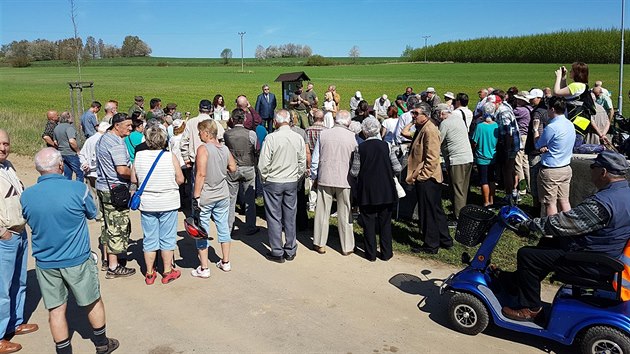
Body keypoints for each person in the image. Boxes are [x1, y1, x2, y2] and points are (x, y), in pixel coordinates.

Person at [501, 150, 630, 322]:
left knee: (527, 255)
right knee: (547, 243)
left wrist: (527, 225)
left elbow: (561, 223)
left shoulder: (603, 203)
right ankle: (516, 283)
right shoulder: (624, 193)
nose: (591, 170)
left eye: (593, 167)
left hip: (591, 260)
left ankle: (530, 309)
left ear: (603, 172)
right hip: (607, 252)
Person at [21, 147, 118, 354]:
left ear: (38, 169)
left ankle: (64, 351)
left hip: (46, 262)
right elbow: (93, 213)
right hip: (77, 258)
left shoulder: (27, 196)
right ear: (61, 165)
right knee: (92, 300)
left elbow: (27, 219)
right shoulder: (77, 189)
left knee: (56, 309)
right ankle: (101, 343)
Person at [0, 130, 38, 354]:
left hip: (19, 232)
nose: (3, 148)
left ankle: (15, 322)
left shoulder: (9, 166)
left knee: (19, 281)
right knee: (1, 288)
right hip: (5, 236)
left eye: (6, 143)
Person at [131, 125, 184, 285]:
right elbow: (180, 179)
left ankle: (149, 272)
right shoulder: (170, 157)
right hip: (168, 201)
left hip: (148, 202)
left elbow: (134, 179)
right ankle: (167, 271)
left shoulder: (139, 156)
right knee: (167, 237)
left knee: (149, 237)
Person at [258, 110, 306, 263]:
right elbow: (302, 162)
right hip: (291, 180)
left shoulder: (271, 138)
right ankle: (290, 248)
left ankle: (277, 250)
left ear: (276, 122)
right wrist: (297, 177)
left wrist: (265, 178)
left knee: (274, 216)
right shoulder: (297, 137)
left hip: (274, 180)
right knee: (290, 215)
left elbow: (263, 163)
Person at [404, 104, 452, 254]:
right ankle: (445, 240)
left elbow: (432, 158)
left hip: (428, 178)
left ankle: (431, 244)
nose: (413, 115)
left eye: (416, 113)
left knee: (428, 212)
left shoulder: (429, 130)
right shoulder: (424, 127)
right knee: (436, 209)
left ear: (425, 115)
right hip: (431, 177)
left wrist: (422, 177)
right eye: (412, 113)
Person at [350, 118, 401, 261]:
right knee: (385, 223)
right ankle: (386, 253)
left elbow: (355, 172)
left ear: (364, 132)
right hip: (386, 189)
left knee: (368, 223)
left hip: (367, 191)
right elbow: (397, 168)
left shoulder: (359, 148)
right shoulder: (387, 146)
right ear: (378, 130)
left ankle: (370, 253)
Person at [191, 120, 237, 277]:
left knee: (201, 230)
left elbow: (201, 174)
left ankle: (204, 268)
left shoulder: (203, 149)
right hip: (222, 193)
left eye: (200, 132)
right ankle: (225, 262)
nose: (199, 135)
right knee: (223, 226)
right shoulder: (224, 149)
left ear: (206, 133)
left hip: (207, 194)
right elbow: (233, 167)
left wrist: (195, 195)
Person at [311, 110, 357, 255]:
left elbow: (315, 158)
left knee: (322, 212)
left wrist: (314, 175)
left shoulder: (324, 134)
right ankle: (347, 246)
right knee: (345, 213)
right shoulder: (353, 137)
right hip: (345, 179)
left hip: (326, 176)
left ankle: (319, 243)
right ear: (348, 122)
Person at [96, 113, 136, 278]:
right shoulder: (117, 144)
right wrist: (137, 174)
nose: (130, 128)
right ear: (117, 125)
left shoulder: (103, 139)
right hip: (115, 189)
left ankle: (107, 260)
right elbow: (121, 170)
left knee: (106, 225)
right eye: (127, 125)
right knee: (117, 227)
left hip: (103, 186)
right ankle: (114, 266)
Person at [534, 97, 576, 217]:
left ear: (552, 109)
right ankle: (568, 227)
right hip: (565, 167)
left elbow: (538, 144)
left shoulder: (552, 127)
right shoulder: (569, 124)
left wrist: (535, 130)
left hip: (551, 170)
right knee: (564, 200)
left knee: (550, 203)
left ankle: (551, 232)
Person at [223, 108, 260, 236]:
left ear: (232, 120)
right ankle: (250, 226)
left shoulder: (227, 134)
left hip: (232, 167)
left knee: (231, 199)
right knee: (250, 199)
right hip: (248, 166)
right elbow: (256, 149)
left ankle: (229, 227)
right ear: (244, 119)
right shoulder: (251, 134)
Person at [437, 103, 474, 223]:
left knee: (457, 188)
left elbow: (438, 140)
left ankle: (458, 217)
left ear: (442, 113)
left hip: (457, 159)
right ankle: (462, 212)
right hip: (468, 157)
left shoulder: (445, 123)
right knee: (463, 187)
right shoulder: (458, 119)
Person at [79, 122, 111, 221]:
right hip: (100, 172)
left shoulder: (89, 140)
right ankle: (100, 214)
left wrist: (84, 164)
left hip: (89, 172)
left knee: (93, 194)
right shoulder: (104, 140)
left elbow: (82, 154)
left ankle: (94, 213)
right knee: (102, 194)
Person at [524, 88, 549, 214]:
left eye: (533, 98)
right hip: (543, 150)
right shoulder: (546, 111)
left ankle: (535, 208)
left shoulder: (537, 112)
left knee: (534, 179)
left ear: (539, 98)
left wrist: (537, 146)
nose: (530, 100)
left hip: (536, 151)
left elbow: (537, 129)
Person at [472, 103, 499, 208]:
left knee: (484, 180)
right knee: (491, 178)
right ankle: (492, 200)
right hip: (492, 156)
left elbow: (474, 142)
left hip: (481, 157)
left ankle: (486, 201)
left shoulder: (480, 126)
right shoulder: (496, 125)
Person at [305, 110, 328, 211]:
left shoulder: (307, 130)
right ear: (323, 119)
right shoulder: (327, 131)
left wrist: (308, 164)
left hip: (311, 155)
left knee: (312, 181)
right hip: (323, 158)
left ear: (314, 118)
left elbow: (306, 148)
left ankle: (311, 203)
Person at [53, 111, 83, 182]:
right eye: (71, 117)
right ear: (68, 118)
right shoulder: (69, 128)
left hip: (62, 153)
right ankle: (78, 188)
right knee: (79, 173)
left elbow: (55, 142)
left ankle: (67, 188)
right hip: (71, 153)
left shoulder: (57, 128)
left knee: (67, 174)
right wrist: (78, 150)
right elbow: (71, 141)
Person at [513, 91, 532, 194]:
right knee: (525, 162)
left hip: (521, 137)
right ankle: (530, 186)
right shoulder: (530, 109)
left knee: (518, 163)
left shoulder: (519, 110)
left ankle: (522, 187)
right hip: (527, 136)